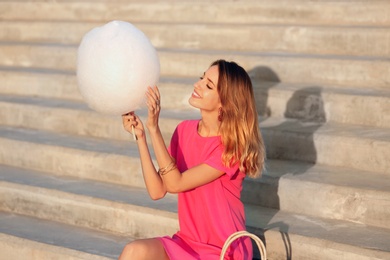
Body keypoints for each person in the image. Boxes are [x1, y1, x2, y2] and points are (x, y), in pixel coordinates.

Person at [120, 59, 265, 260]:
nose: (198, 85)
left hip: (224, 250)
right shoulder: (184, 130)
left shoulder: (232, 148)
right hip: (187, 243)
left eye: (208, 85)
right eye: (201, 78)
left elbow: (176, 183)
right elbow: (157, 190)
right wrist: (141, 137)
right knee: (134, 251)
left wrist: (155, 129)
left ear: (225, 102)